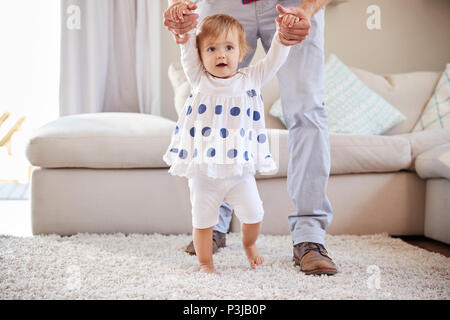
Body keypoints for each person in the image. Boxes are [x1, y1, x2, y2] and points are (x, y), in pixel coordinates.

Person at [164, 0, 338, 276]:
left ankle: (310, 236)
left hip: (292, 6)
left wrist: (306, 9)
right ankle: (212, 228)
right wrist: (178, 7)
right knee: (208, 97)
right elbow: (188, 54)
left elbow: (272, 64)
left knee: (307, 112)